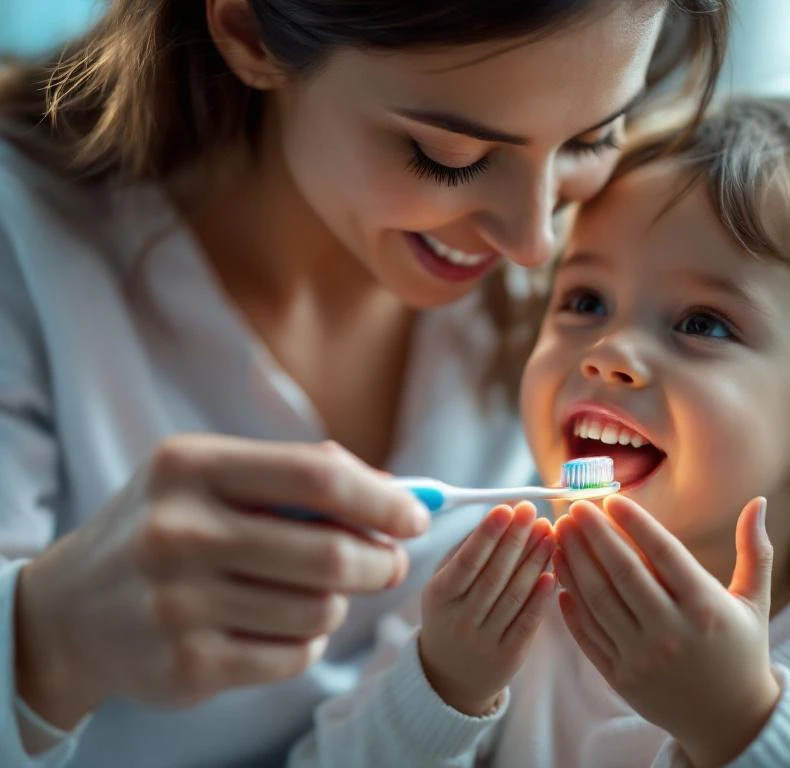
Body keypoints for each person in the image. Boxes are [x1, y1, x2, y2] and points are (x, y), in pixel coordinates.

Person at [0, 0, 731, 765]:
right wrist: (48, 644)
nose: (534, 242)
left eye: (593, 139)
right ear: (248, 31)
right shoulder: (26, 248)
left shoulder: (614, 270)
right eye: (449, 156)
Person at [288, 96, 790, 767]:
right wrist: (442, 688)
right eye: (584, 300)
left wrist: (740, 723)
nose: (607, 355)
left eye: (702, 324)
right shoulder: (487, 599)